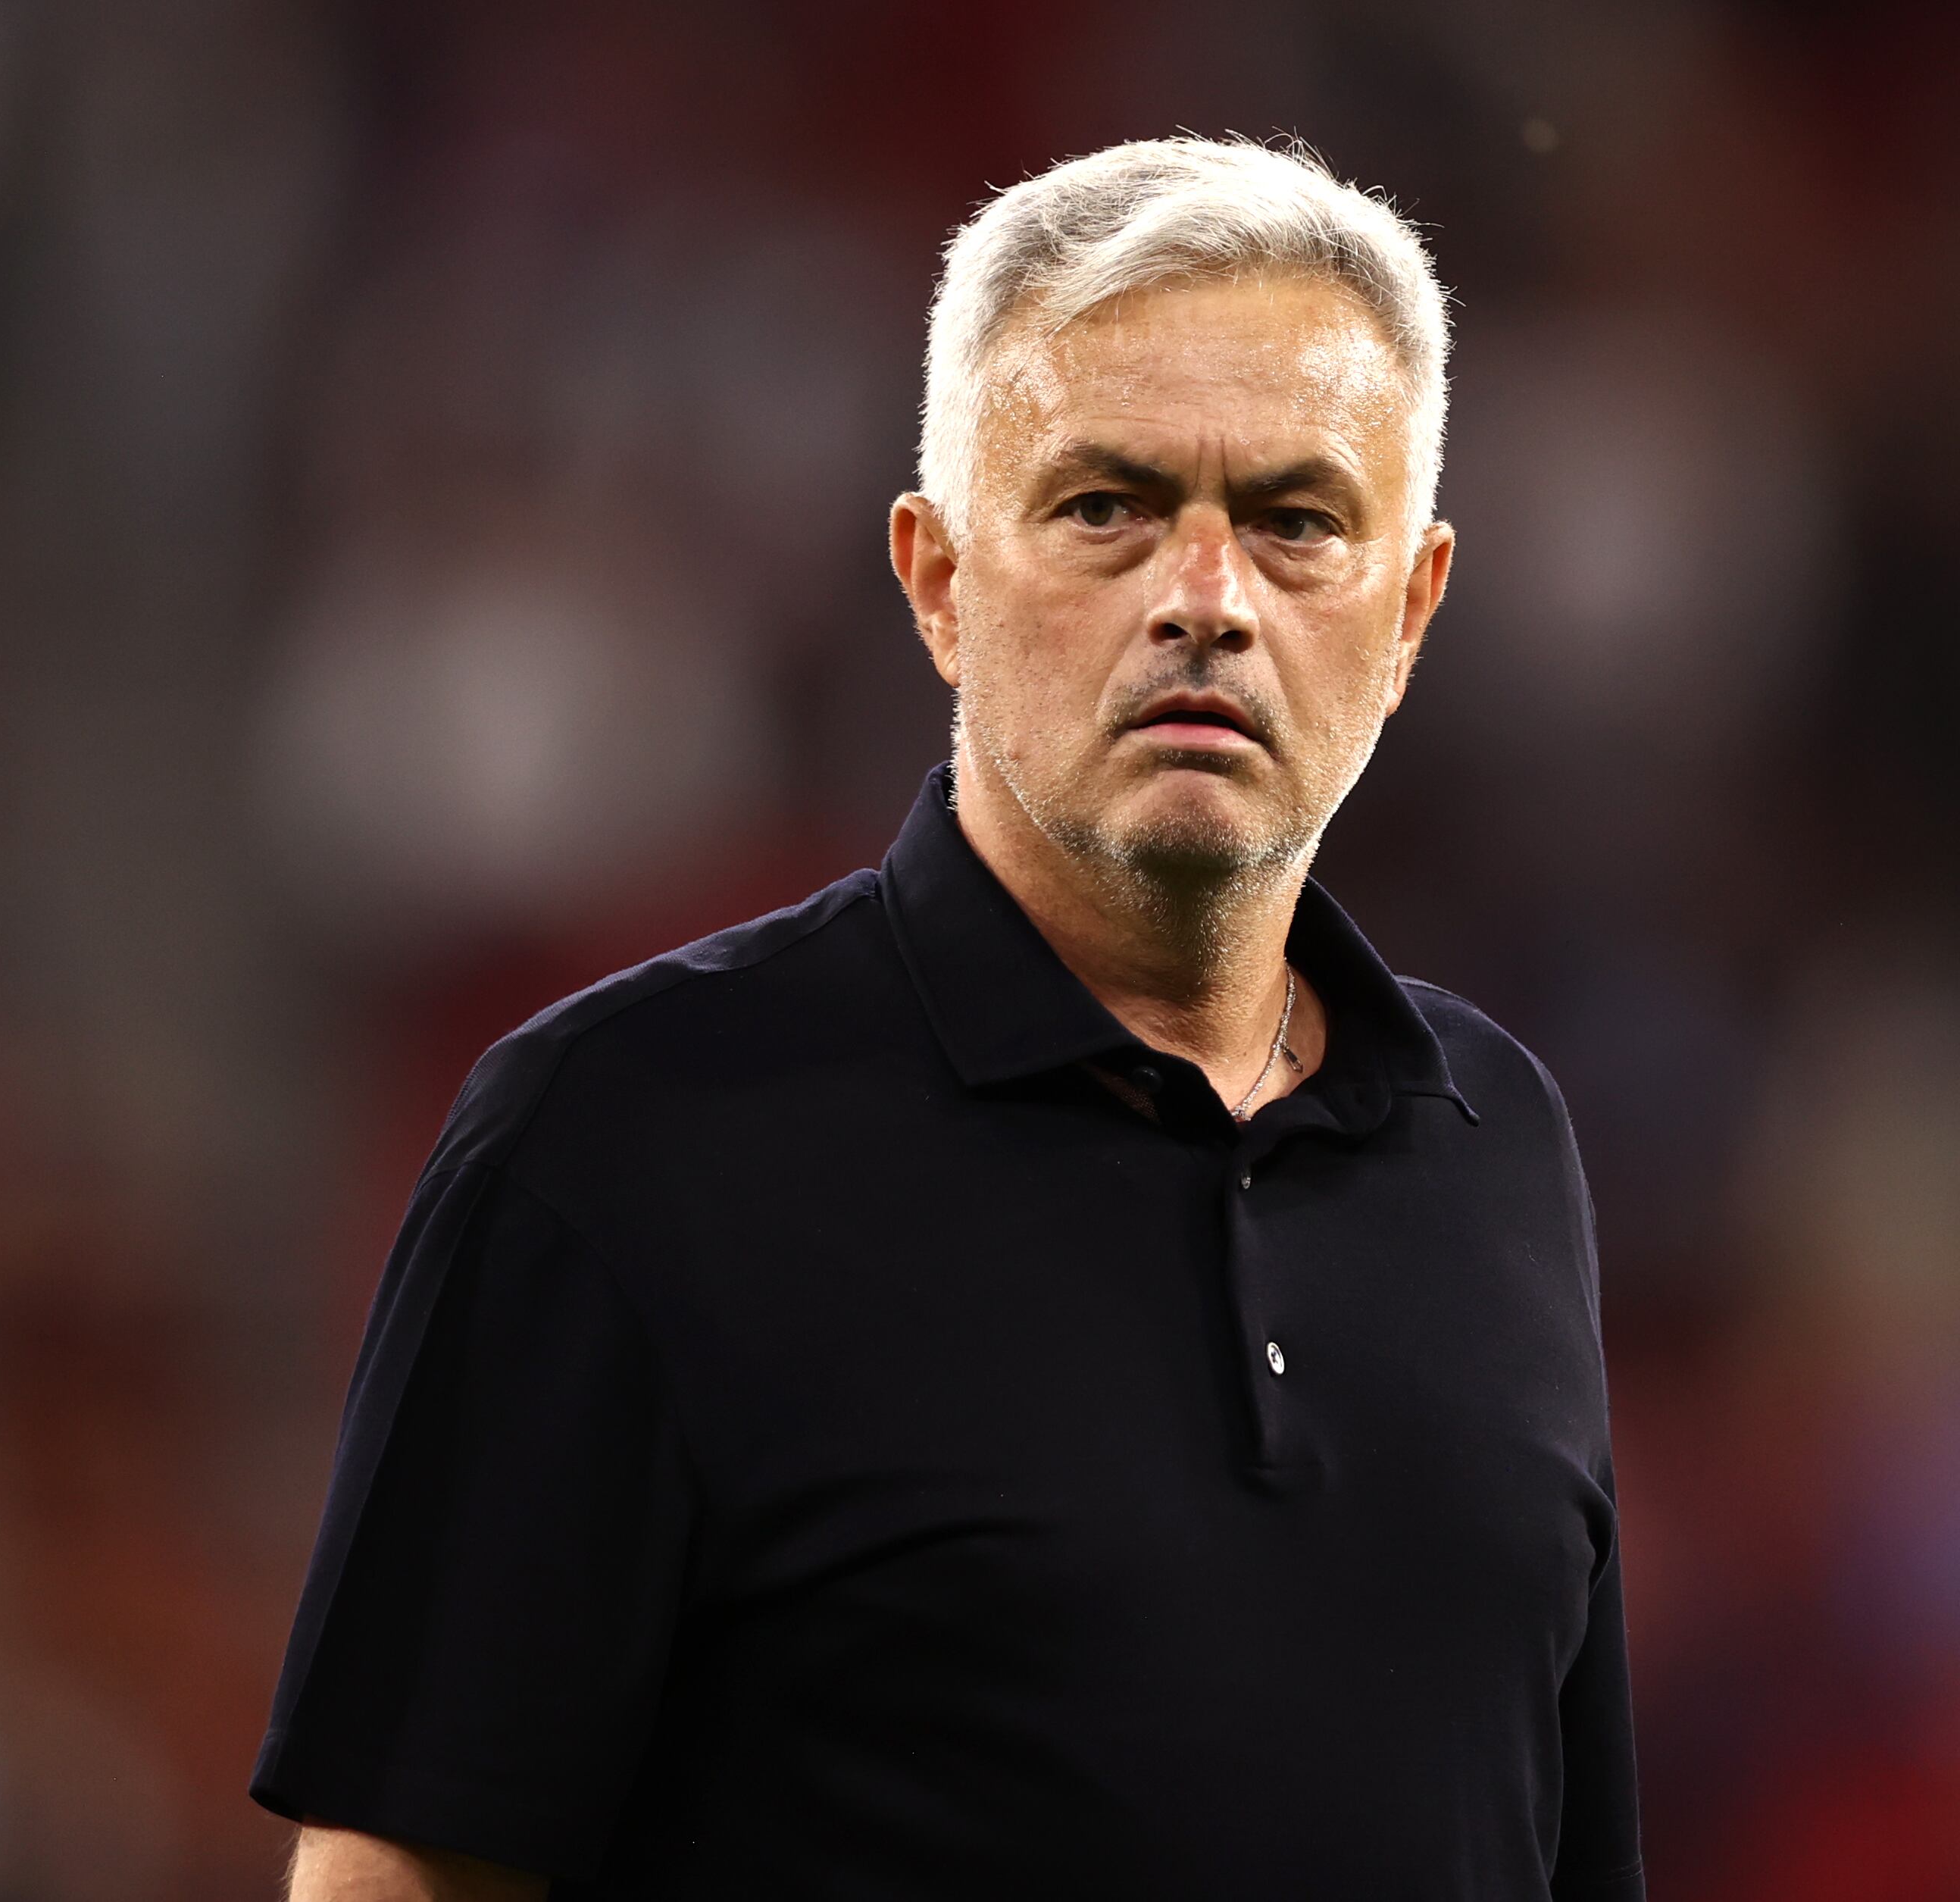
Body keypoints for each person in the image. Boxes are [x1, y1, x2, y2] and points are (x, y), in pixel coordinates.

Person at [258, 136, 1645, 1901]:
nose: (1204, 600)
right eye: (1106, 508)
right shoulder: (615, 1144)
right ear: (935, 581)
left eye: (1295, 522)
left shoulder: (1496, 1145)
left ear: (1410, 613)